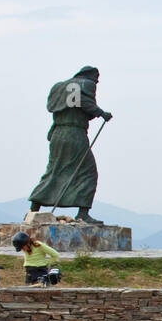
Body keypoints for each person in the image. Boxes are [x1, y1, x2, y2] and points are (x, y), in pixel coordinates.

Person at [28, 66, 113, 225]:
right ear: (89, 76)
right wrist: (101, 113)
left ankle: (34, 209)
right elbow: (83, 102)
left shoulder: (59, 87)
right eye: (96, 78)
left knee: (54, 170)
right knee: (88, 172)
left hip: (57, 135)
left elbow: (68, 107)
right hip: (74, 134)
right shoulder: (84, 84)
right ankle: (83, 213)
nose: (97, 82)